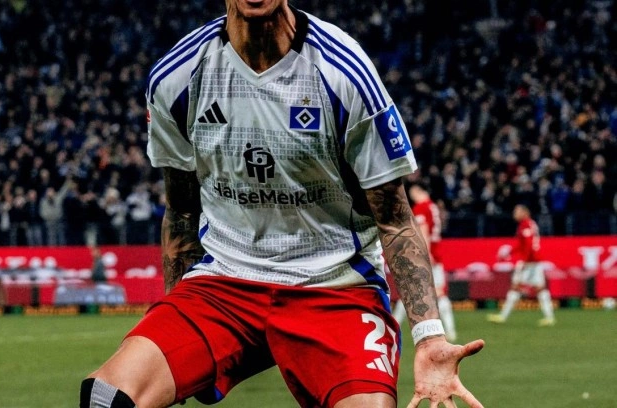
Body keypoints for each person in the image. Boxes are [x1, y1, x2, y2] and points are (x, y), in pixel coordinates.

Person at [81, 1, 485, 407]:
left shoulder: (344, 73)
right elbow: (183, 210)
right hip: (224, 283)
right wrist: (174, 313)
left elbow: (395, 221)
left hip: (335, 286)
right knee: (106, 397)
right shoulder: (177, 78)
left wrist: (429, 337)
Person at [393, 184, 457, 342]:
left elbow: (423, 230)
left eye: (412, 193)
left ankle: (393, 328)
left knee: (409, 290)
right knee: (439, 293)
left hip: (424, 255)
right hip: (436, 254)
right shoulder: (433, 207)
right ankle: (451, 330)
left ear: (418, 191)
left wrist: (425, 253)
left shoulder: (421, 207)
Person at [488, 204, 555, 326]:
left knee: (516, 286)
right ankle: (549, 317)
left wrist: (524, 260)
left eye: (517, 211)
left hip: (529, 261)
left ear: (524, 213)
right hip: (535, 260)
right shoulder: (530, 224)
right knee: (540, 288)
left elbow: (528, 244)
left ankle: (503, 316)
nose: (514, 214)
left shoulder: (525, 225)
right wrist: (509, 252)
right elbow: (522, 245)